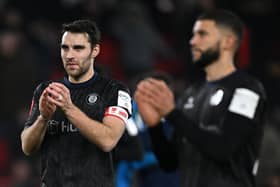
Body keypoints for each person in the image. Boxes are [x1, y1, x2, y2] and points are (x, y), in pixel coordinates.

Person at [134, 9, 267, 187]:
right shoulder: (192, 93)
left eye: (202, 34)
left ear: (228, 42)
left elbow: (224, 150)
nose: (193, 41)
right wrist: (155, 127)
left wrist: (172, 113)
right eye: (193, 35)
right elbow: (169, 163)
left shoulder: (247, 89)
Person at [20, 19, 132, 187]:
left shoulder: (114, 90)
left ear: (95, 51)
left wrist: (68, 107)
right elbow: (27, 147)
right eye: (65, 48)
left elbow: (108, 141)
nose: (70, 55)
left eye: (78, 48)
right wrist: (43, 118)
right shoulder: (47, 90)